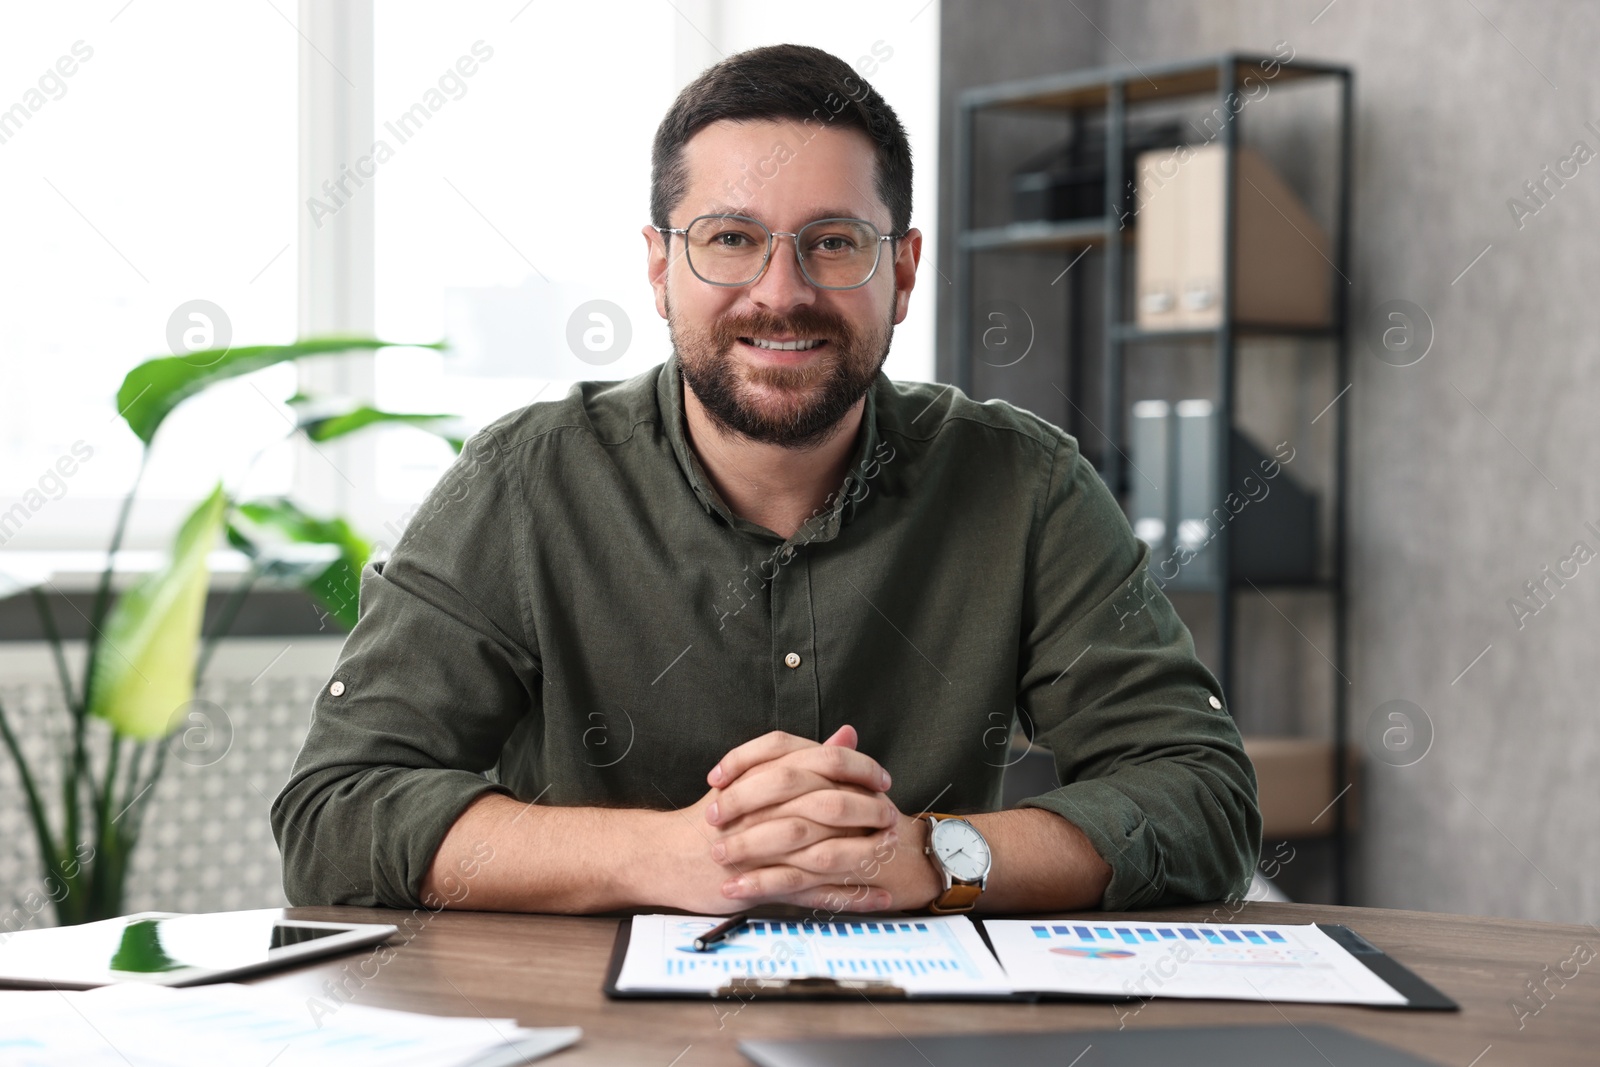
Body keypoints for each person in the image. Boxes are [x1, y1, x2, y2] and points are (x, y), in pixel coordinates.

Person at [272, 43, 1260, 918]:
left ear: (903, 271)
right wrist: (674, 853)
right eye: (730, 238)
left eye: (833, 242)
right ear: (659, 268)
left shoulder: (1026, 485)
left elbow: (1201, 795)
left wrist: (933, 855)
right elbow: (336, 810)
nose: (779, 292)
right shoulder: (522, 482)